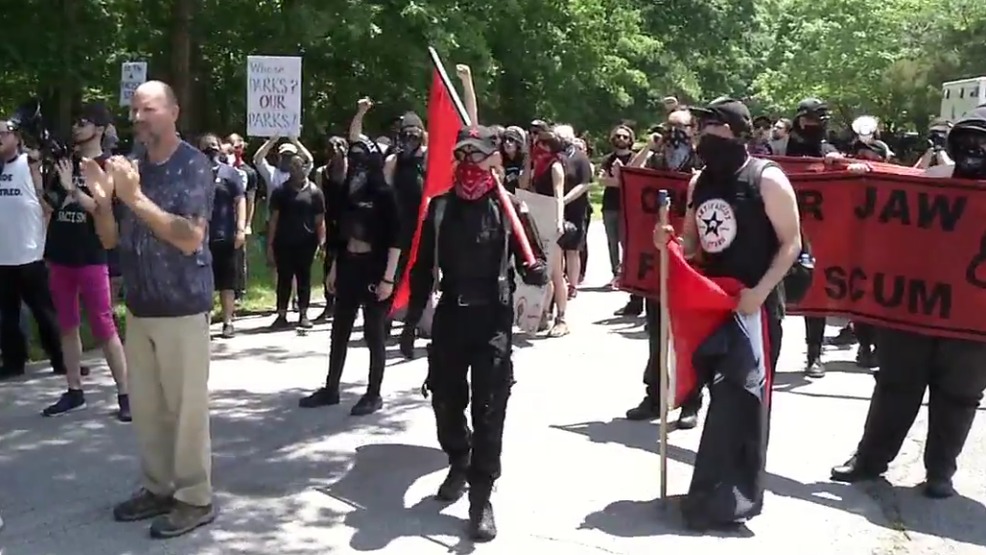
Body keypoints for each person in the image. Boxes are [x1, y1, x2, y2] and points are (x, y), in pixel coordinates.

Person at [654, 97, 801, 530]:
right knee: (720, 398)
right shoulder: (700, 182)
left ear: (735, 132)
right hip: (713, 303)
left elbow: (792, 242)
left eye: (711, 127)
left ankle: (731, 500)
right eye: (700, 126)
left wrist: (760, 292)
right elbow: (694, 243)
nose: (701, 135)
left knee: (744, 401)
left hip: (753, 308)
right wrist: (670, 244)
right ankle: (709, 490)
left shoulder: (766, 178)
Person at [830, 105, 986, 499]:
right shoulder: (932, 181)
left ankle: (940, 473)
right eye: (965, 138)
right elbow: (893, 190)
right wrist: (863, 177)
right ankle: (869, 460)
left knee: (959, 396)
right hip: (913, 309)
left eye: (982, 140)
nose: (973, 147)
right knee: (896, 385)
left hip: (973, 321)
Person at [406, 123, 548, 542]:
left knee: (490, 408)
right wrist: (415, 319)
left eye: (477, 155)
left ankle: (480, 495)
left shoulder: (509, 210)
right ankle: (458, 457)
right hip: (450, 316)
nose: (469, 164)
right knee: (446, 401)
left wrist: (536, 271)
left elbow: (533, 260)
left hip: (493, 321)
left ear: (494, 159)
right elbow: (422, 268)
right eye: (462, 155)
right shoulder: (440, 208)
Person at [88, 80, 215, 538]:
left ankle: (194, 498)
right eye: (135, 110)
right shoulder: (132, 167)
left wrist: (134, 197)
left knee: (185, 412)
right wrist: (104, 202)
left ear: (174, 112)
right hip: (141, 308)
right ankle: (158, 488)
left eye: (150, 109)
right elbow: (110, 241)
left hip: (183, 307)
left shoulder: (194, 166)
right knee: (147, 409)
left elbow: (189, 236)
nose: (139, 118)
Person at [298, 122, 401, 416]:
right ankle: (331, 388)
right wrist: (334, 270)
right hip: (348, 266)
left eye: (360, 159)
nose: (355, 165)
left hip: (375, 268)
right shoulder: (346, 194)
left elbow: (396, 239)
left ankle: (373, 393)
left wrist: (388, 279)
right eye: (352, 159)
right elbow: (338, 234)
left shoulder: (383, 194)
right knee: (339, 330)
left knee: (373, 333)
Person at [41, 102, 130, 419]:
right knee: (67, 324)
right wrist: (44, 176)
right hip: (61, 253)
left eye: (84, 122)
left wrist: (72, 190)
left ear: (101, 128)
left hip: (92, 255)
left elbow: (104, 209)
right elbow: (49, 201)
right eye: (76, 121)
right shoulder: (66, 162)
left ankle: (125, 393)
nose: (77, 127)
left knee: (104, 326)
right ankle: (74, 389)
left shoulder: (110, 166)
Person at [0, 113, 68, 380]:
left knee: (44, 312)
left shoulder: (30, 165)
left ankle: (62, 359)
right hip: (3, 257)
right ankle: (13, 362)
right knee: (7, 316)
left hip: (30, 254)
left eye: (3, 134)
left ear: (16, 138)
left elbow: (49, 203)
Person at [265, 154, 325, 330]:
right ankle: (281, 314)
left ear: (306, 168)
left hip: (306, 242)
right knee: (284, 278)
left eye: (300, 167)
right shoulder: (280, 192)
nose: (297, 171)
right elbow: (274, 220)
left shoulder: (315, 192)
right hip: (284, 242)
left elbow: (320, 220)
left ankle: (304, 314)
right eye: (293, 168)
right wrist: (270, 245)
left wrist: (322, 243)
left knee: (304, 278)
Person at [200, 133, 246, 337]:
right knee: (204, 283)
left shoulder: (230, 174)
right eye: (205, 146)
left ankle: (228, 322)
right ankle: (204, 324)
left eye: (213, 145)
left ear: (219, 148)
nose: (210, 149)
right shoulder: (195, 173)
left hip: (225, 235)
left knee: (227, 283)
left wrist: (241, 229)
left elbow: (240, 200)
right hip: (200, 237)